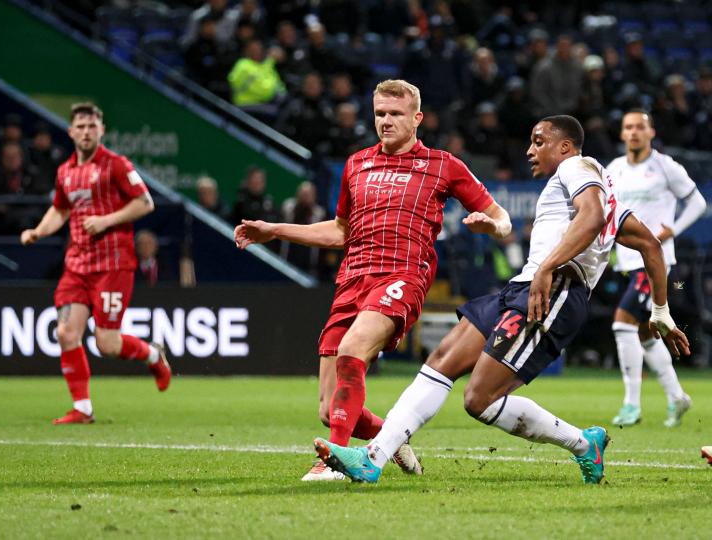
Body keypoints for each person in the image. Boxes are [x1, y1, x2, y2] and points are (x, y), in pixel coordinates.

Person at [315, 115, 691, 485]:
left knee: (479, 399)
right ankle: (373, 458)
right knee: (442, 359)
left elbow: (591, 217)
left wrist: (547, 268)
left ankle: (582, 443)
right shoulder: (596, 192)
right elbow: (649, 244)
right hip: (524, 286)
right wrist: (660, 310)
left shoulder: (576, 167)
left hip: (555, 289)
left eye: (539, 141)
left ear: (565, 146)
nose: (530, 150)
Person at [234, 79, 512, 481]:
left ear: (416, 118)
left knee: (352, 350)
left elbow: (501, 217)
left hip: (402, 276)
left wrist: (492, 226)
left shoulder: (443, 164)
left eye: (395, 114)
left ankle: (338, 461)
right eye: (380, 113)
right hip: (352, 280)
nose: (385, 121)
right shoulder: (356, 164)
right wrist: (275, 230)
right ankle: (390, 440)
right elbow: (341, 231)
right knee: (330, 409)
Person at [20, 103, 172, 425]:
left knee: (106, 343)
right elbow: (60, 210)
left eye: (92, 126)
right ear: (71, 131)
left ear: (102, 130)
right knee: (65, 332)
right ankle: (83, 408)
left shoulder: (116, 165)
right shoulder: (65, 172)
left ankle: (152, 355)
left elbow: (145, 202)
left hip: (113, 264)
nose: (86, 131)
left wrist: (105, 221)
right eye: (81, 126)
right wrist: (38, 231)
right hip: (77, 264)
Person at [606, 110, 707, 428]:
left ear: (651, 132)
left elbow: (697, 202)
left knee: (622, 323)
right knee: (646, 334)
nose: (634, 132)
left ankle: (630, 405)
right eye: (628, 127)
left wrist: (672, 230)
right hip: (626, 262)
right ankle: (677, 397)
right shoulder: (614, 170)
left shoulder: (664, 166)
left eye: (640, 127)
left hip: (657, 263)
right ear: (622, 134)